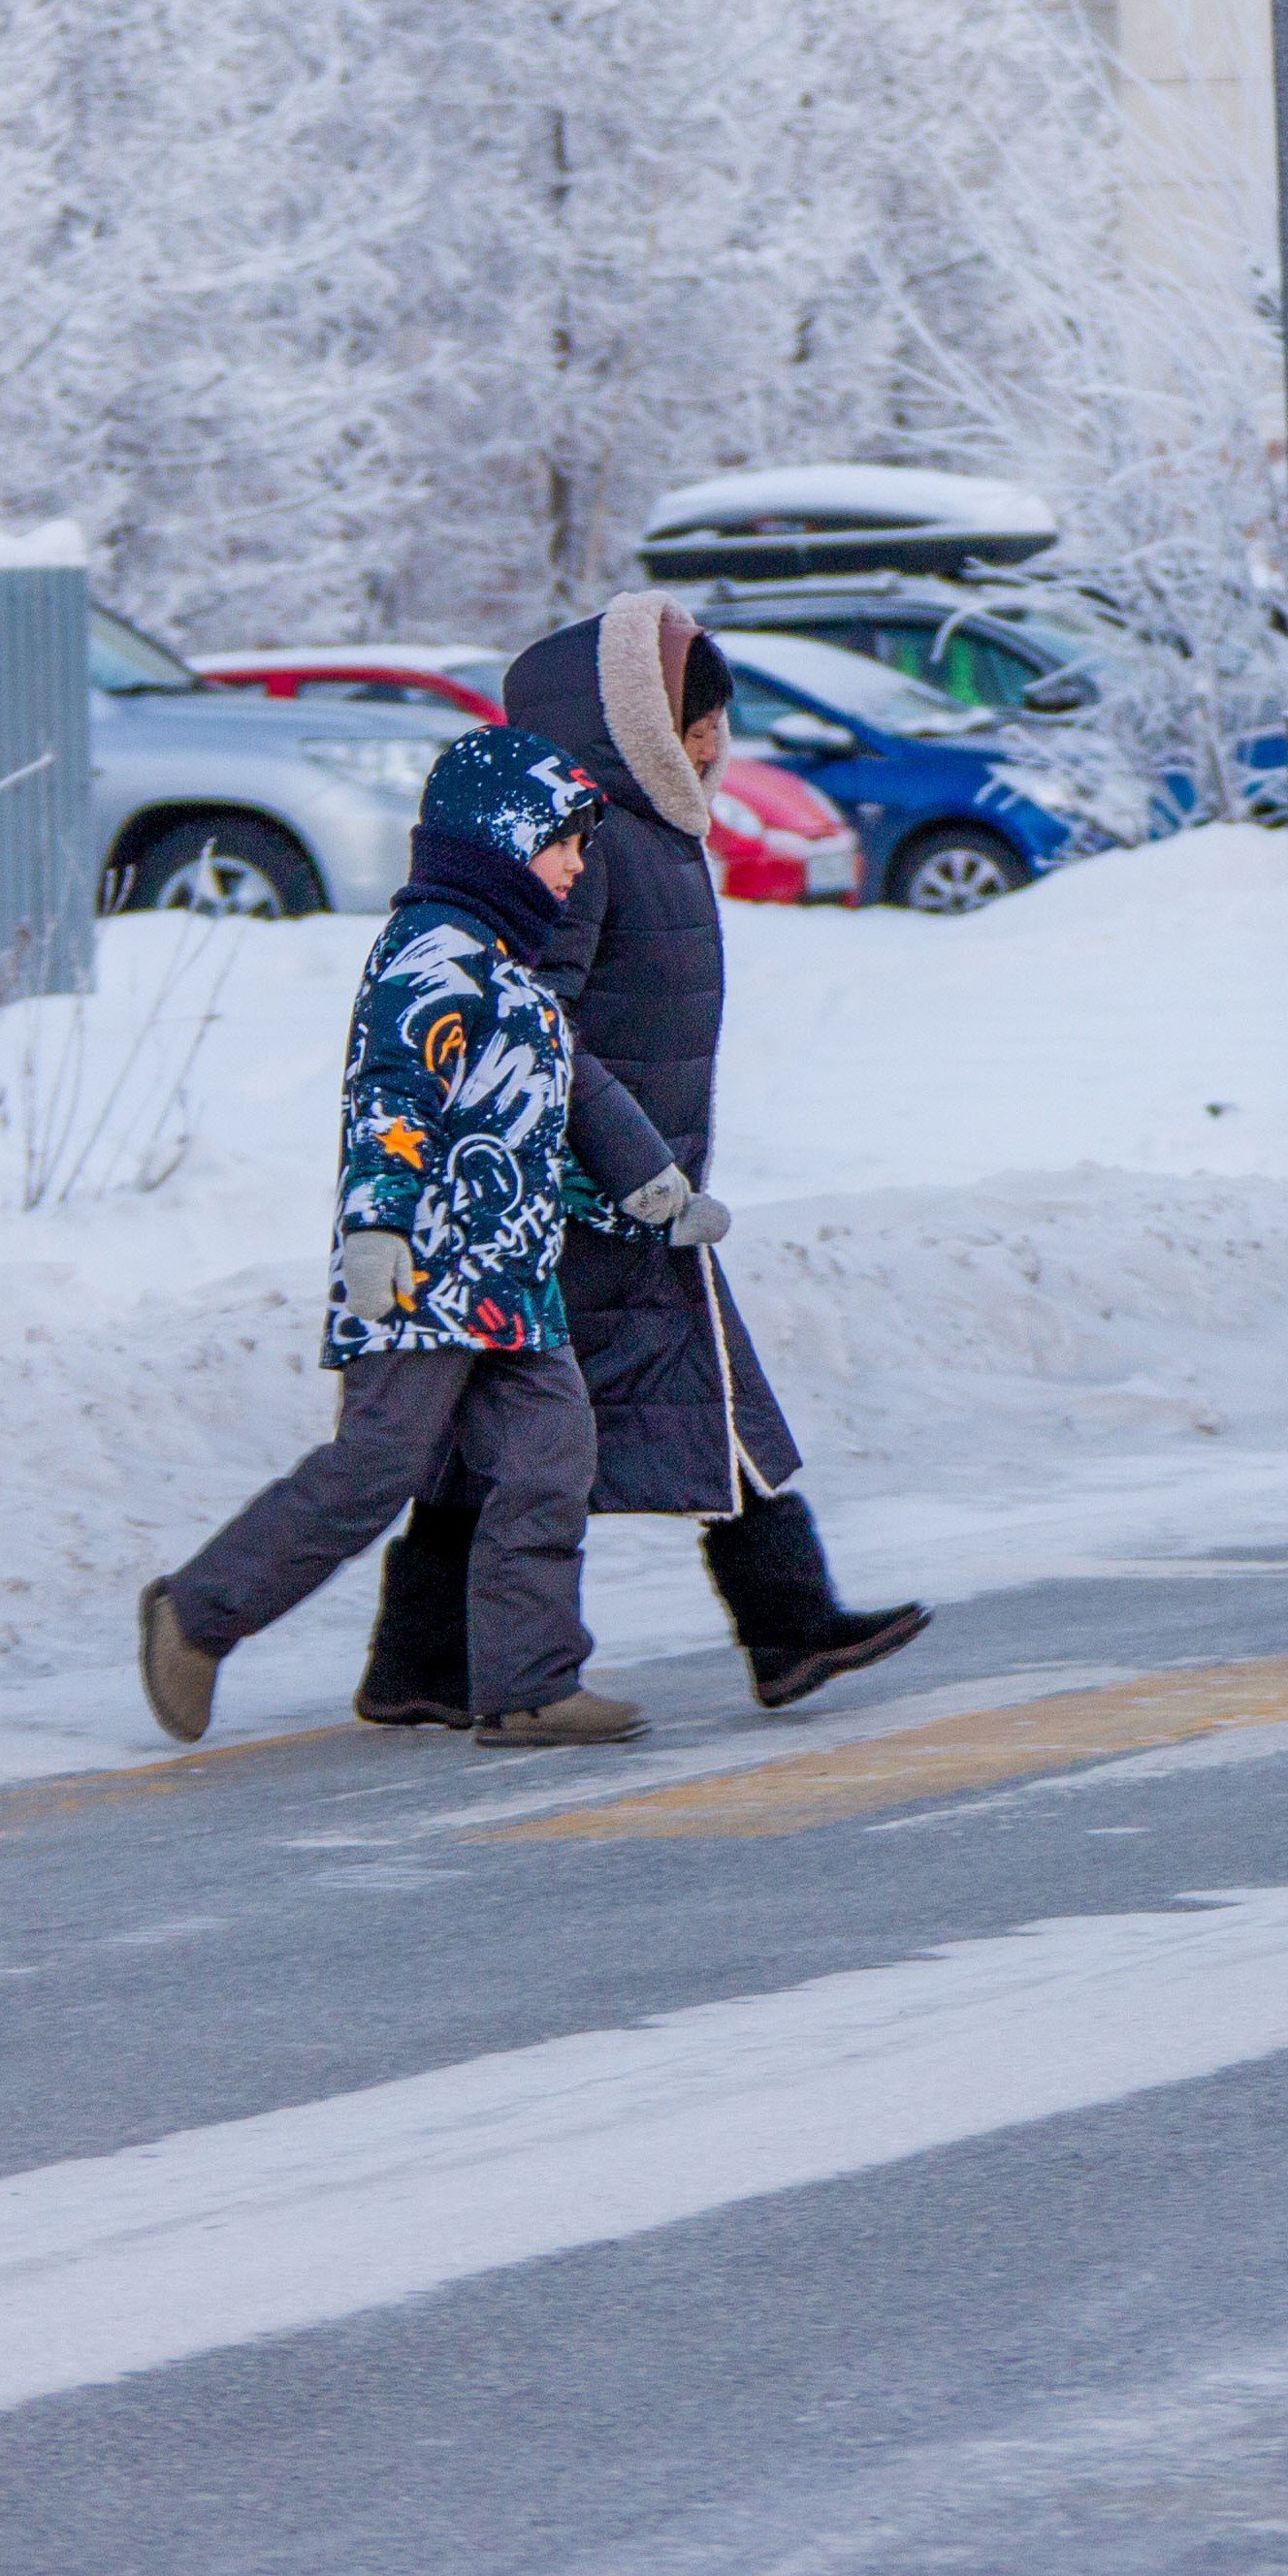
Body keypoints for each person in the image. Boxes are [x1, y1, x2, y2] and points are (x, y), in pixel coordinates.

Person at [355, 592, 929, 1726]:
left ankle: (421, 1659)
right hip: (583, 1188)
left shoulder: (647, 831)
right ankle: (783, 1621)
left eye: (716, 723)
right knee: (639, 1393)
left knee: (550, 1408)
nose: (713, 744)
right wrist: (614, 1159)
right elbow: (534, 1016)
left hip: (632, 1183)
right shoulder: (591, 841)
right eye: (694, 722)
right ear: (632, 722)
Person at [140, 725, 653, 1753]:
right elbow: (394, 1096)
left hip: (511, 1278)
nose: (573, 865)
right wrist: (376, 1226)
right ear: (501, 837)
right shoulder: (431, 951)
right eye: (559, 842)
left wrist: (630, 1200)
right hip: (419, 1268)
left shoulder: (510, 970)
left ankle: (529, 1683)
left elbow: (523, 1130)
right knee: (377, 1467)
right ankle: (196, 1612)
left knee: (550, 1463)